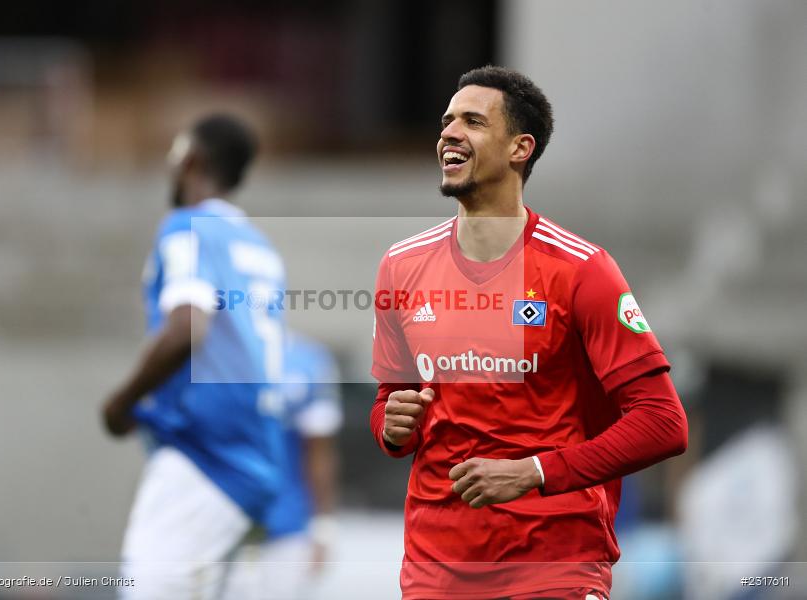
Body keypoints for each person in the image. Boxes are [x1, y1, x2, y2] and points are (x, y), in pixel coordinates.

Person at [369, 66, 688, 600]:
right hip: (436, 566)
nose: (449, 132)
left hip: (554, 561)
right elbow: (389, 409)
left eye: (473, 121)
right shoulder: (401, 267)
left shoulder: (581, 269)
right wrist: (391, 424)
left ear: (520, 148)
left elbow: (663, 423)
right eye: (447, 121)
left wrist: (534, 472)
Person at [102, 114, 287, 599]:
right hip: (257, 450)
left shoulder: (187, 227)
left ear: (190, 160)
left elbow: (188, 325)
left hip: (208, 452)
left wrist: (121, 401)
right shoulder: (257, 244)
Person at [224, 331, 343, 600]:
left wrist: (323, 527)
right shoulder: (213, 356)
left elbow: (319, 450)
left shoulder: (305, 360)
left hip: (287, 526)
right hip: (221, 524)